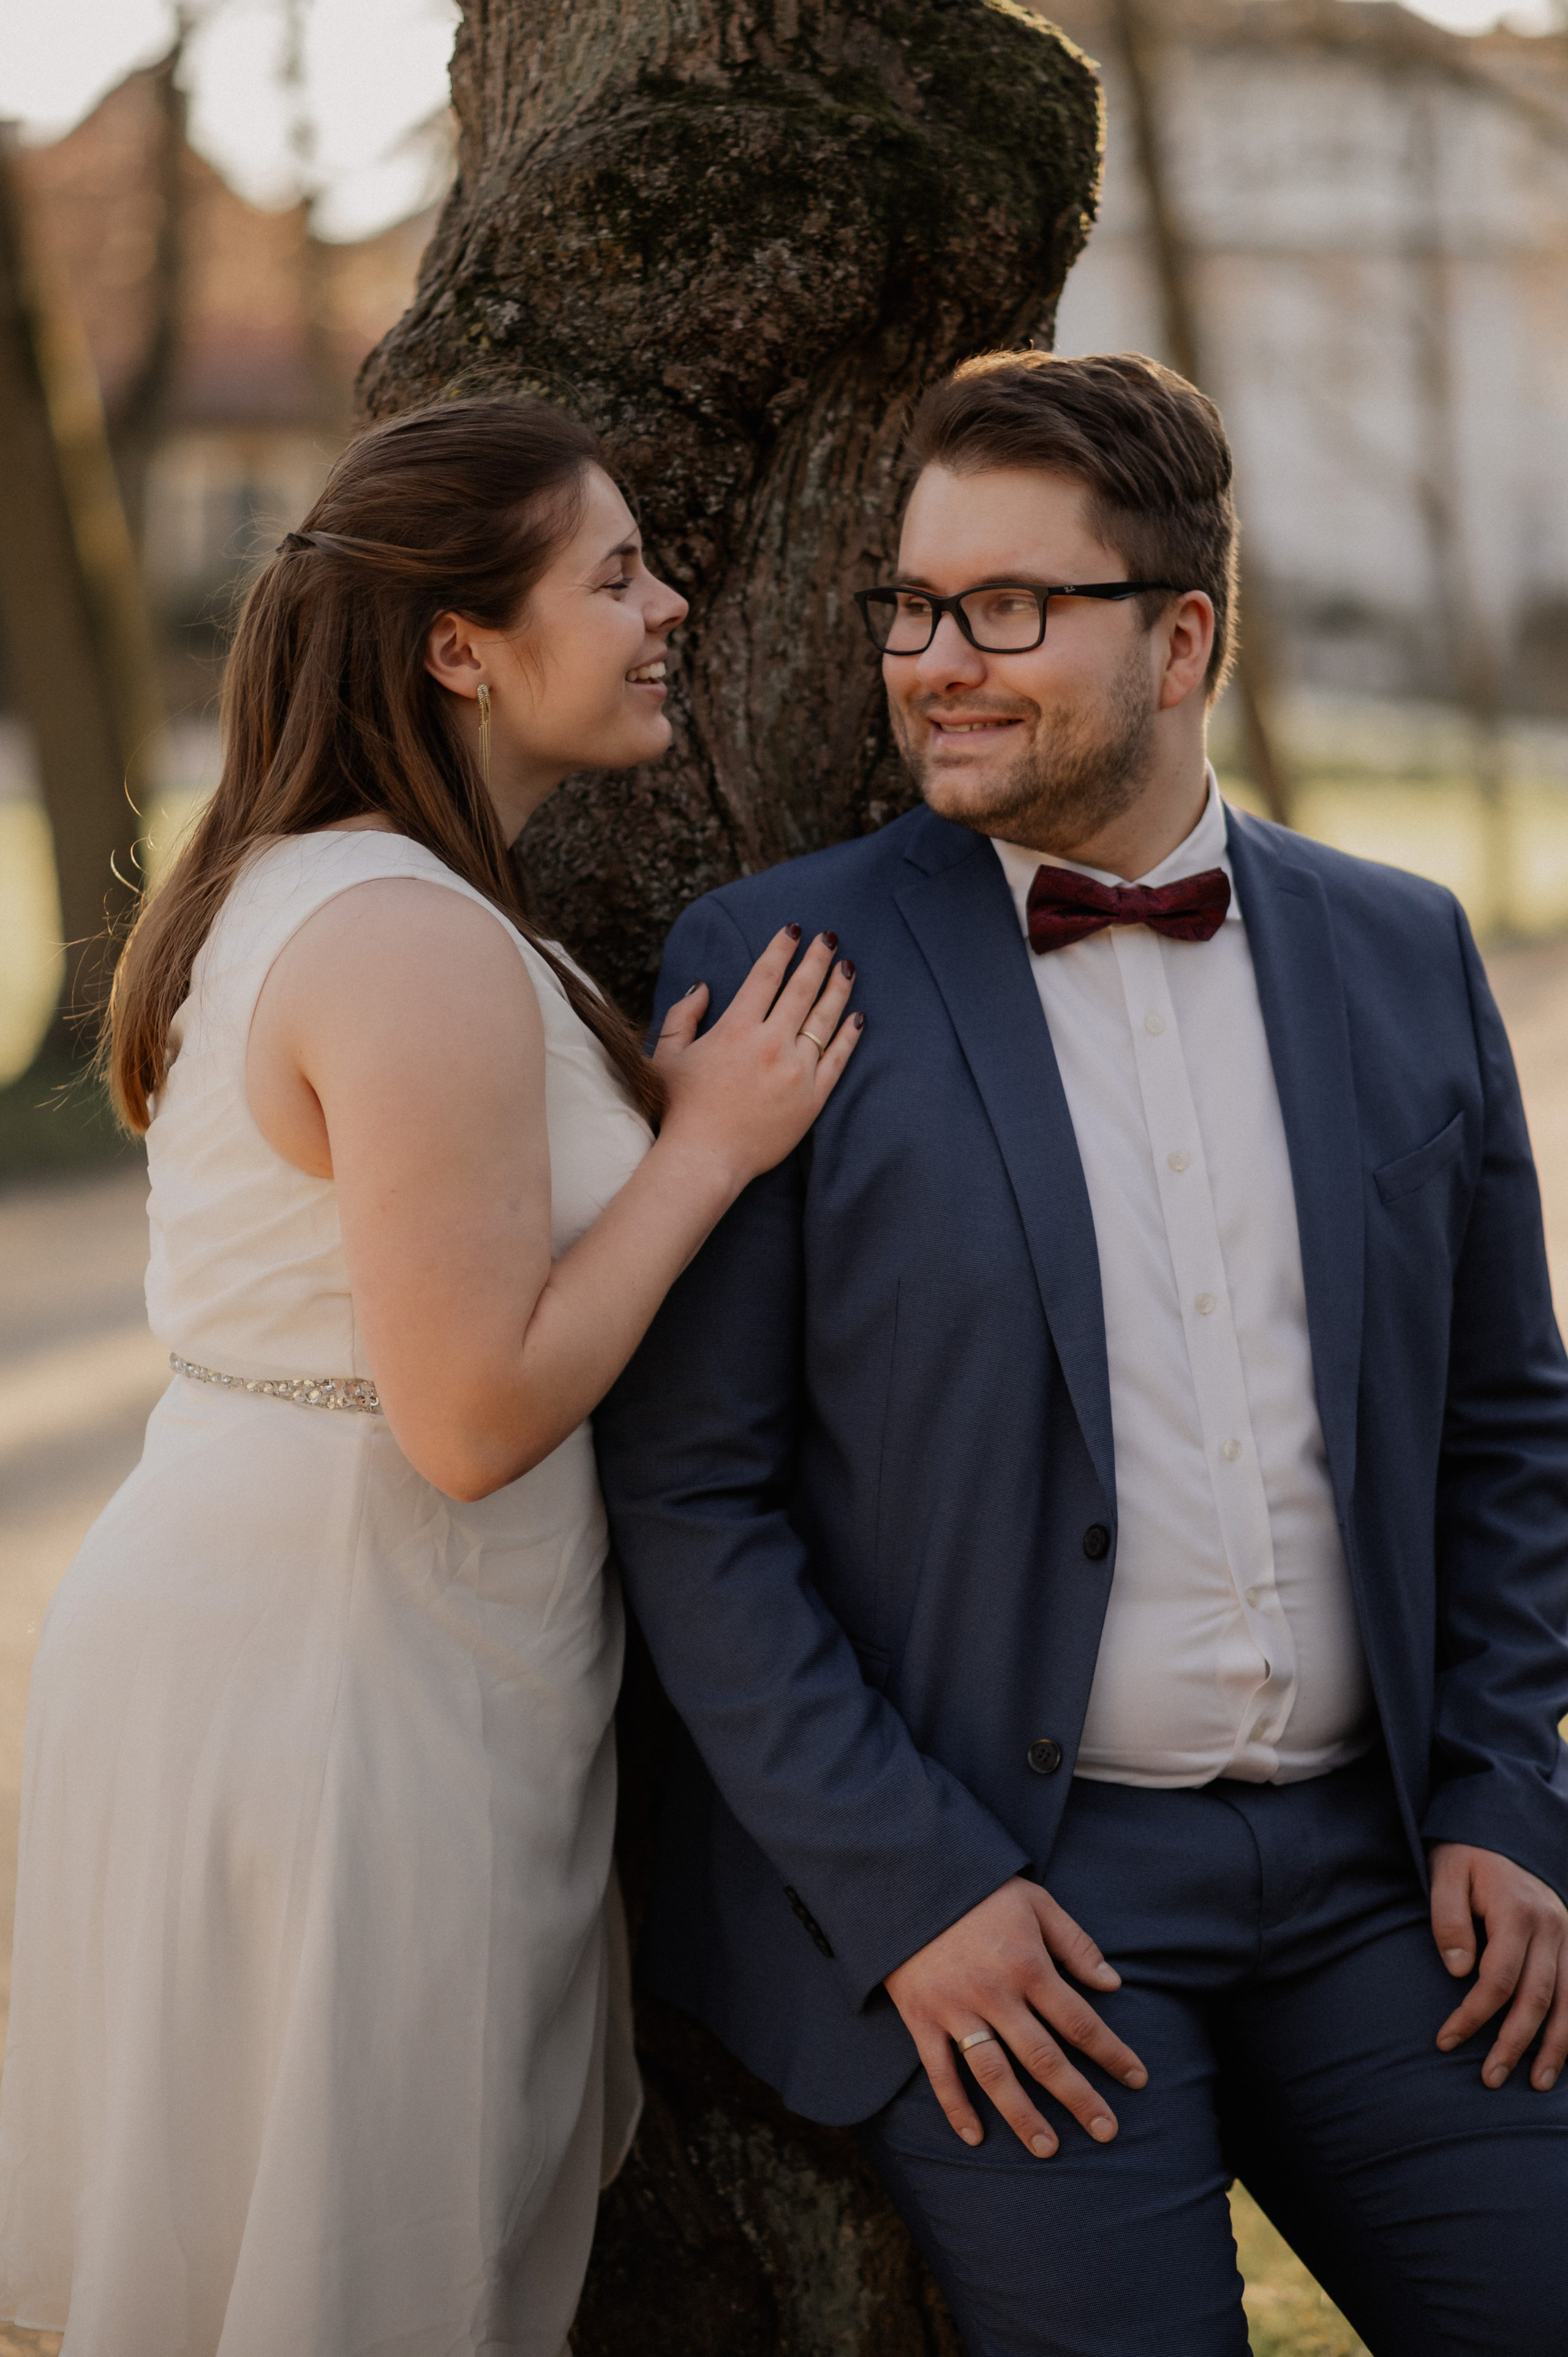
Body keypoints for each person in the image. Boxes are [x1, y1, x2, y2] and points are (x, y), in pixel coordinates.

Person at [595, 349, 1568, 2355]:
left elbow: (1507, 1425)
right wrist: (909, 1895)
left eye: (1009, 609)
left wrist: (1501, 1792)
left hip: (1395, 1879)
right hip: (1021, 1897)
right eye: (915, 607)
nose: (937, 661)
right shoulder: (781, 967)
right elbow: (692, 1497)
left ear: (1183, 633)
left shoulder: (1405, 948)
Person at [0, 396, 860, 2357]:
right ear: (460, 643)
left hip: (315, 1631)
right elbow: (471, 1417)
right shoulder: (403, 936)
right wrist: (711, 1145)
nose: (671, 605)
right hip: (342, 1679)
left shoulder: (368, 897)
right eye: (615, 572)